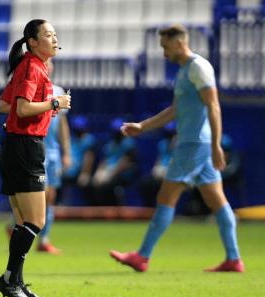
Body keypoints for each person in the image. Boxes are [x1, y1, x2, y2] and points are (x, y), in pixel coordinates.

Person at [110, 24, 244, 273]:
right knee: (217, 200)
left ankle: (142, 256)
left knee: (165, 197)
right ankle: (234, 259)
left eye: (166, 47)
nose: (163, 53)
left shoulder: (198, 68)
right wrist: (143, 126)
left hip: (193, 145)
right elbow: (175, 110)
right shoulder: (185, 71)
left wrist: (216, 145)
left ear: (180, 43)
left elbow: (214, 106)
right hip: (197, 144)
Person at [0, 19, 71, 297]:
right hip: (26, 148)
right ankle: (9, 278)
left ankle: (14, 280)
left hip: (16, 146)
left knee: (24, 221)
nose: (54, 39)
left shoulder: (29, 66)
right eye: (48, 35)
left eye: (55, 34)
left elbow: (5, 105)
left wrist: (43, 106)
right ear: (33, 42)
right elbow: (23, 108)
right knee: (36, 220)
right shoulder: (32, 67)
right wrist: (54, 104)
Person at [37, 60, 72, 254]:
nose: (47, 65)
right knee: (42, 195)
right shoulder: (32, 89)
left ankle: (44, 240)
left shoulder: (58, 90)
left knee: (51, 196)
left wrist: (66, 152)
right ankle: (20, 225)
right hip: (37, 150)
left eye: (49, 63)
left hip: (53, 152)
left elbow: (63, 126)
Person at [90, 117, 138, 205]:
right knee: (94, 182)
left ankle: (116, 207)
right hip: (109, 171)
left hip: (122, 173)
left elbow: (125, 163)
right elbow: (104, 161)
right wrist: (99, 172)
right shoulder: (110, 144)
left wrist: (110, 175)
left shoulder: (129, 143)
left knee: (109, 184)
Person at [139, 123, 177, 207]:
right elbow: (159, 159)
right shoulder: (162, 143)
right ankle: (150, 208)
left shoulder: (180, 144)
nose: (169, 136)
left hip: (172, 172)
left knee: (160, 184)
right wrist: (155, 169)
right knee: (146, 183)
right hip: (161, 171)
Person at [61, 115, 96, 204]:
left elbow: (89, 158)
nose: (78, 130)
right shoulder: (71, 139)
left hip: (81, 172)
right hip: (69, 171)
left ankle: (90, 206)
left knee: (86, 183)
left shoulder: (89, 139)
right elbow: (66, 155)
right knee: (58, 179)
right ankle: (62, 204)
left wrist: (85, 173)